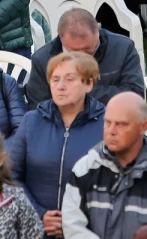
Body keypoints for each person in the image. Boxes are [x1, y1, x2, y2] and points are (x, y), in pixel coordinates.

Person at [62, 92, 147, 239]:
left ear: (143, 127)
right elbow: (72, 228)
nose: (111, 131)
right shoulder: (82, 171)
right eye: (107, 122)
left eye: (121, 124)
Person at [8, 51, 106, 234]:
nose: (61, 86)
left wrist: (75, 222)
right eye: (55, 80)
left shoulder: (108, 125)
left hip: (90, 230)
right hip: (35, 227)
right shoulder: (31, 121)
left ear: (89, 84)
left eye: (69, 79)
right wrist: (39, 214)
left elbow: (119, 182)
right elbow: (11, 176)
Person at [26, 9, 144, 106]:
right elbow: (38, 107)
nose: (82, 56)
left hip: (113, 122)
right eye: (74, 51)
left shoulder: (123, 48)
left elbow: (135, 95)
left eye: (88, 49)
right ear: (60, 38)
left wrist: (79, 94)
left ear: (98, 30)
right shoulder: (42, 60)